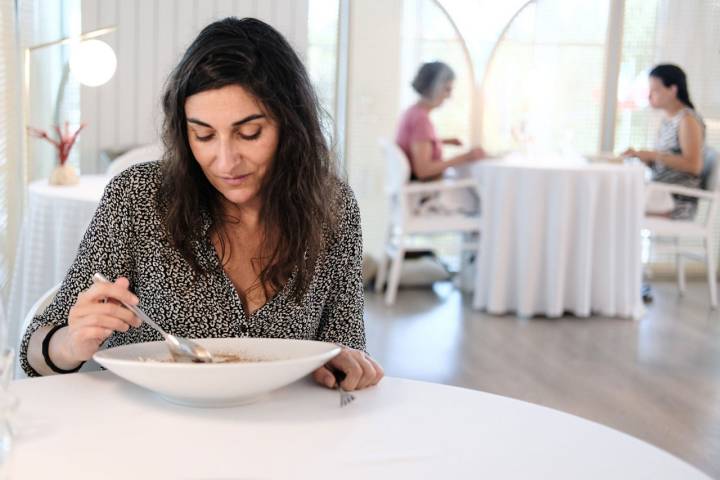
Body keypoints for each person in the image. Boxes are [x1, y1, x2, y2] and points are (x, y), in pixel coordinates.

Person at [19, 17, 383, 392]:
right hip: (146, 435)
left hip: (279, 433)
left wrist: (344, 367)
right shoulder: (139, 197)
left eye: (249, 133)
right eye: (204, 135)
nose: (225, 161)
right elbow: (33, 353)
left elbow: (345, 345)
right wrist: (71, 343)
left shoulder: (332, 207)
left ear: (292, 126)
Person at [622, 64, 708, 220]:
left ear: (673, 90)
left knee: (616, 204)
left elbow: (694, 166)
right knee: (616, 198)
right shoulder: (668, 120)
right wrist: (646, 158)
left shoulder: (687, 120)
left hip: (676, 201)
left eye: (655, 90)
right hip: (659, 193)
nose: (649, 96)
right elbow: (667, 161)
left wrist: (653, 155)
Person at [396, 61, 485, 181]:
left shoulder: (412, 112)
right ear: (433, 89)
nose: (449, 96)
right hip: (427, 191)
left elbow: (415, 144)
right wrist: (466, 157)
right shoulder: (421, 120)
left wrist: (443, 141)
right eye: (447, 89)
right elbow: (423, 170)